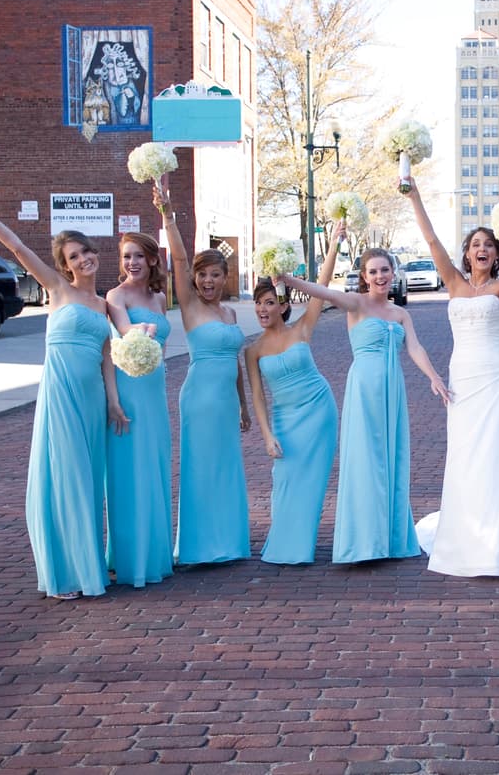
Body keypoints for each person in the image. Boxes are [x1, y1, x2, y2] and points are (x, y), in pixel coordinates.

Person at [0, 182, 131, 599]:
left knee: (89, 479)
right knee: (65, 475)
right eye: (74, 256)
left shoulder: (105, 306)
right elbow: (17, 246)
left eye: (86, 251)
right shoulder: (57, 288)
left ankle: (86, 559)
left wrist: (113, 403)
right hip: (61, 393)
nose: (83, 259)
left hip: (92, 398)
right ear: (65, 265)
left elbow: (107, 355)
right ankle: (64, 573)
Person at [404, 176, 499, 576]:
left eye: (489, 246)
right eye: (476, 245)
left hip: (496, 379)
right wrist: (417, 196)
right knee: (467, 457)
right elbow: (433, 240)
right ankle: (470, 532)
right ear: (468, 253)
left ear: (496, 254)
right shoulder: (454, 283)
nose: (482, 250)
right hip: (464, 382)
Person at [281, 245, 449, 564]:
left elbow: (415, 348)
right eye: (373, 271)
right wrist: (289, 280)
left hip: (392, 391)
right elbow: (322, 291)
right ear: (364, 277)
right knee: (365, 461)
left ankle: (390, 539)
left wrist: (433, 377)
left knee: (390, 459)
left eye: (385, 270)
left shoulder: (401, 314)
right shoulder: (355, 304)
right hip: (363, 390)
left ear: (393, 273)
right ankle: (363, 542)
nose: (380, 276)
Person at [157, 178, 252, 566]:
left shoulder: (230, 314)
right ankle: (198, 547)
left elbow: (237, 364)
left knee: (227, 469)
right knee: (200, 470)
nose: (208, 282)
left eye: (215, 275)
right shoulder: (191, 307)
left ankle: (227, 542)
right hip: (199, 400)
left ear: (224, 277)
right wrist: (167, 214)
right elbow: (179, 259)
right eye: (203, 276)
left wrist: (244, 407)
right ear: (195, 279)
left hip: (227, 402)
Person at [245, 225, 346, 565]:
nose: (262, 309)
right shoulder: (253, 350)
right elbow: (258, 396)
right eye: (258, 303)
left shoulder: (302, 328)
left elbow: (322, 288)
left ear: (283, 305)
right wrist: (267, 435)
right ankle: (285, 541)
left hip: (319, 411)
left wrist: (333, 244)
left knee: (313, 482)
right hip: (285, 420)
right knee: (285, 480)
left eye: (269, 302)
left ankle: (301, 545)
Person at [104, 231, 174, 587]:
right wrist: (114, 401)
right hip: (129, 394)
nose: (131, 262)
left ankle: (156, 550)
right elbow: (124, 331)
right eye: (126, 256)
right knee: (131, 471)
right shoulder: (115, 296)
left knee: (155, 466)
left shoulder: (161, 298)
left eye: (137, 256)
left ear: (151, 259)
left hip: (155, 394)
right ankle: (132, 556)